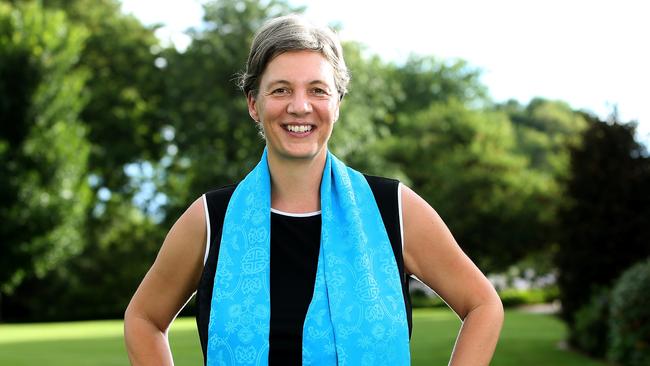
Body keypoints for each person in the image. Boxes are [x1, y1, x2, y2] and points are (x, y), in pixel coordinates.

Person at [124, 14, 503, 366]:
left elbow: (482, 304)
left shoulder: (394, 209)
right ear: (254, 104)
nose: (300, 106)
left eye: (318, 90)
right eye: (281, 90)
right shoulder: (211, 219)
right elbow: (143, 318)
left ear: (337, 103)